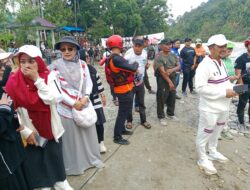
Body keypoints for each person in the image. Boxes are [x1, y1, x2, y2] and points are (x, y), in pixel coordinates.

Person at [5, 45, 73, 189]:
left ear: (39, 61)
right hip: (29, 129)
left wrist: (36, 79)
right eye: (22, 61)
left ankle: (60, 181)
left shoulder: (49, 76)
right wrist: (25, 131)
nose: (26, 65)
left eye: (31, 61)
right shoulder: (13, 81)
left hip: (51, 127)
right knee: (36, 160)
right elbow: (12, 110)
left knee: (54, 156)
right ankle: (44, 184)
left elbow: (53, 99)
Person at [48, 36, 104, 175]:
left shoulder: (83, 64)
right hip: (65, 108)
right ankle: (74, 165)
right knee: (71, 140)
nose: (66, 51)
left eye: (70, 49)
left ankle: (90, 160)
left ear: (76, 50)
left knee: (86, 133)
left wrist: (85, 97)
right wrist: (73, 103)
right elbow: (57, 89)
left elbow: (89, 82)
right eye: (63, 49)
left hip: (83, 105)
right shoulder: (55, 66)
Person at [195, 34, 237, 175]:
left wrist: (233, 88)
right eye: (220, 46)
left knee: (217, 130)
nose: (224, 49)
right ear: (211, 48)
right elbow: (200, 88)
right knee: (205, 133)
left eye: (225, 46)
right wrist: (224, 93)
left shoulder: (222, 62)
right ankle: (202, 158)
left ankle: (212, 151)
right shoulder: (204, 66)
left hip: (224, 106)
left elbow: (223, 82)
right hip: (210, 108)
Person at [0, 52, 32, 190]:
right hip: (6, 161)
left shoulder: (3, 88)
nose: (4, 68)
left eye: (6, 63)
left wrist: (19, 125)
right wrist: (4, 109)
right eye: (1, 64)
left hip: (15, 149)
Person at [106, 35, 138, 145]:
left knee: (123, 112)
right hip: (122, 90)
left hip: (122, 88)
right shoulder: (116, 58)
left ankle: (122, 130)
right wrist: (136, 63)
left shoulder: (111, 57)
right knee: (122, 113)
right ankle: (117, 136)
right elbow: (133, 68)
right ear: (120, 44)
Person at [124, 38, 151, 130]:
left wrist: (146, 66)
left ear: (143, 47)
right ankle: (129, 121)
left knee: (141, 103)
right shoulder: (128, 55)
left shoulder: (144, 53)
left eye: (140, 46)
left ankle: (143, 121)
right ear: (133, 46)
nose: (137, 48)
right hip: (130, 83)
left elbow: (145, 64)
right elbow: (122, 67)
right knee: (129, 102)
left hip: (140, 83)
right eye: (136, 46)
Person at [154, 38, 180, 126]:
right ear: (161, 46)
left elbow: (179, 66)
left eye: (170, 44)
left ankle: (170, 114)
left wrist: (172, 69)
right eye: (166, 44)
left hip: (172, 77)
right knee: (161, 98)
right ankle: (161, 116)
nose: (169, 46)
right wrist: (170, 83)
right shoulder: (159, 57)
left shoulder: (173, 55)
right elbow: (162, 72)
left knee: (172, 97)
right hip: (163, 80)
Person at [87, 62, 108, 153]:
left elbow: (98, 83)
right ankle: (90, 144)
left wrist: (102, 95)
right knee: (86, 122)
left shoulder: (92, 69)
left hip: (95, 99)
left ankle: (101, 142)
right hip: (83, 102)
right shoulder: (76, 70)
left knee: (99, 122)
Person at [234, 38, 250, 135]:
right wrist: (242, 86)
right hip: (243, 84)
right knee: (242, 103)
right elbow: (238, 74)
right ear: (247, 46)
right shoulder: (241, 58)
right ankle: (241, 122)